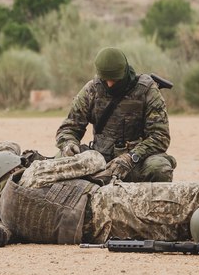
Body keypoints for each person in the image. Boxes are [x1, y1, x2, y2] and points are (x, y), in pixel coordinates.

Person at [0, 149, 199, 245]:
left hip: (97, 233)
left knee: (178, 227)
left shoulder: (3, 215)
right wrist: (69, 154)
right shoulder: (31, 174)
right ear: (11, 168)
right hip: (109, 203)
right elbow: (93, 160)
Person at [54, 47, 174, 183]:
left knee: (159, 168)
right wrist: (69, 145)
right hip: (99, 161)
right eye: (105, 80)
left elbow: (160, 137)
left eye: (115, 80)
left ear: (124, 73)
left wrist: (131, 157)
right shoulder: (92, 90)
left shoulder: (148, 91)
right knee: (60, 160)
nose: (110, 84)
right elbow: (69, 128)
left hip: (136, 161)